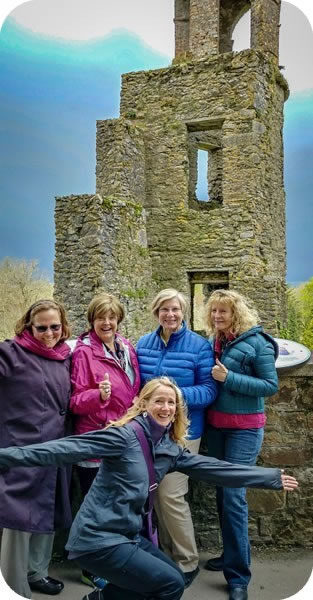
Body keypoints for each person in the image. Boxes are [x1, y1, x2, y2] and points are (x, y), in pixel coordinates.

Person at [0, 376, 298, 600]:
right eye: (158, 400)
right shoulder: (122, 437)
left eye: (171, 402)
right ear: (143, 404)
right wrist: (5, 457)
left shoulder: (169, 448)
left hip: (127, 534)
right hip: (97, 538)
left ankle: (99, 598)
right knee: (168, 585)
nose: (165, 407)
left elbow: (217, 468)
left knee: (172, 580)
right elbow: (62, 449)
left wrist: (268, 478)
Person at [136, 288, 217, 587]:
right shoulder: (143, 343)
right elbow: (138, 388)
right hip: (150, 433)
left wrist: (175, 396)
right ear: (156, 312)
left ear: (183, 312)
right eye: (164, 310)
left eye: (175, 309)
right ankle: (167, 556)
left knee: (171, 494)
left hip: (184, 432)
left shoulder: (198, 346)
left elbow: (210, 390)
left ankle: (187, 561)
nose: (170, 315)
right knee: (155, 494)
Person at [204, 289, 279, 600]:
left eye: (224, 311)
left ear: (237, 313)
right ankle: (233, 554)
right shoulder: (217, 341)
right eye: (214, 311)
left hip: (245, 431)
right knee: (224, 495)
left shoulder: (257, 343)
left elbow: (270, 386)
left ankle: (238, 577)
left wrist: (229, 378)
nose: (218, 316)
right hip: (217, 429)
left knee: (234, 497)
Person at [0, 299, 72, 598]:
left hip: (56, 449)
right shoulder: (9, 353)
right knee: (17, 520)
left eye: (55, 327)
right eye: (41, 328)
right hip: (19, 449)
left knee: (47, 512)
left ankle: (37, 573)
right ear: (28, 326)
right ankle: (11, 587)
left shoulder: (65, 356)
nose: (48, 333)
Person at [70, 293, 140, 589]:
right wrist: (98, 396)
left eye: (112, 317)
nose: (107, 322)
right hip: (96, 439)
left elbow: (133, 387)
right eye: (101, 318)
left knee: (118, 506)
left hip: (124, 439)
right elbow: (73, 402)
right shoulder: (84, 352)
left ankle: (116, 561)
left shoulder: (126, 347)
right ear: (92, 321)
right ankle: (89, 567)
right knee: (93, 508)